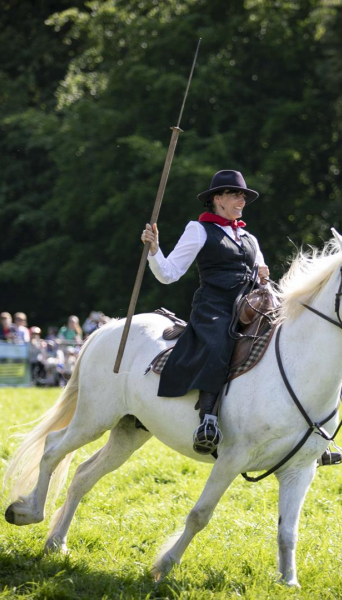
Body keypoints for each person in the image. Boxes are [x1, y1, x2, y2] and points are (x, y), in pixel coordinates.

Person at [141, 170, 269, 456]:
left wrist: (262, 276)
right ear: (217, 199)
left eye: (244, 196)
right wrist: (154, 249)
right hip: (215, 306)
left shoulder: (249, 237)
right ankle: (208, 419)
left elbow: (261, 276)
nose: (242, 200)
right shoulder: (198, 230)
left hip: (249, 305)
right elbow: (169, 274)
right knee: (219, 341)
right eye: (236, 195)